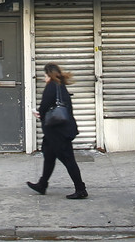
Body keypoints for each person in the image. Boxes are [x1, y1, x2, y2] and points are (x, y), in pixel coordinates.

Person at [27, 61, 88, 199]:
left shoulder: (51, 87)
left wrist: (39, 114)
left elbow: (44, 106)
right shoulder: (61, 86)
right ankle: (42, 184)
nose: (44, 78)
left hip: (58, 133)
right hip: (57, 131)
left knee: (68, 160)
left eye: (44, 75)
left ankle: (81, 189)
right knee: (48, 156)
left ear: (49, 74)